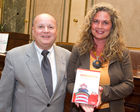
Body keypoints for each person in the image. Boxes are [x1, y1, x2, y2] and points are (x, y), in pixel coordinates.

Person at [67, 2, 134, 112]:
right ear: (90, 24)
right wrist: (82, 95)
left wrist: (103, 93)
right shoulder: (78, 49)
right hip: (82, 108)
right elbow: (69, 83)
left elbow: (128, 85)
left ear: (112, 26)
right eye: (96, 21)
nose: (99, 26)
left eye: (105, 23)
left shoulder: (122, 52)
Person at [0, 13, 71, 112]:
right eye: (41, 26)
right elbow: (4, 99)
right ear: (33, 30)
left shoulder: (67, 56)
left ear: (56, 31)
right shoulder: (14, 56)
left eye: (51, 27)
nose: (46, 31)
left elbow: (74, 86)